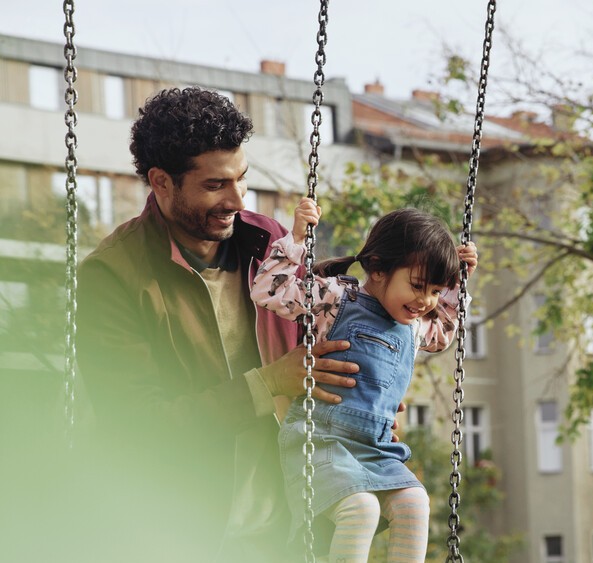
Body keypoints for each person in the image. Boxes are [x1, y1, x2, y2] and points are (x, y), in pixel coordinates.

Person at [74, 87, 363, 562]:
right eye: (215, 185)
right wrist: (267, 383)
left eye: (241, 179)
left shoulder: (268, 244)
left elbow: (315, 342)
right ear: (161, 182)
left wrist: (364, 390)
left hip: (285, 532)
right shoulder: (113, 274)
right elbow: (135, 425)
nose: (236, 199)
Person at [250, 198, 478, 562]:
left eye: (435, 291)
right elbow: (268, 290)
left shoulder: (416, 326)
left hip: (377, 448)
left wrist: (458, 284)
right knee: (362, 509)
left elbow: (443, 335)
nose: (425, 301)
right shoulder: (336, 298)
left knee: (415, 503)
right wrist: (296, 239)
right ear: (378, 268)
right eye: (418, 285)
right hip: (321, 440)